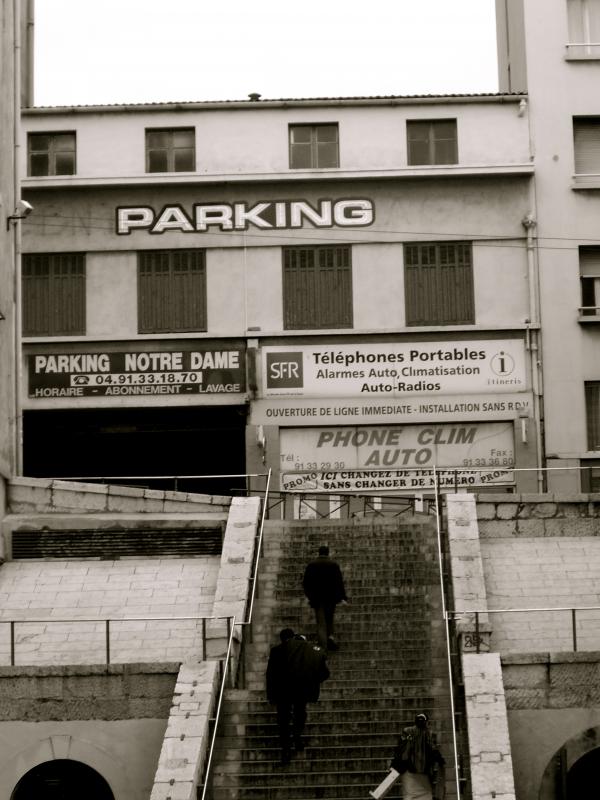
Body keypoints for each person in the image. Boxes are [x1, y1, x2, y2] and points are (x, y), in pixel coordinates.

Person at [266, 628, 330, 765]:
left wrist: (271, 695)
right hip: (301, 688)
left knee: (283, 720)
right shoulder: (309, 648)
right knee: (300, 712)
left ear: (282, 638)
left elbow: (270, 675)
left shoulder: (276, 650)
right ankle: (297, 735)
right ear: (294, 636)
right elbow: (324, 671)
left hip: (282, 691)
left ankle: (286, 750)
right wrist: (314, 680)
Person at [390, 712, 445, 800]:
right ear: (426, 722)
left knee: (410, 794)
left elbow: (400, 748)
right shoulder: (427, 734)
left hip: (408, 770)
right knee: (424, 795)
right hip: (420, 771)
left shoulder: (407, 731)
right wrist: (440, 760)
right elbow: (433, 749)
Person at [302, 545, 348, 650]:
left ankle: (323, 647)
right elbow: (339, 582)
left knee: (321, 623)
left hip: (317, 599)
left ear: (319, 553)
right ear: (328, 553)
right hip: (331, 598)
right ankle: (330, 638)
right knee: (329, 618)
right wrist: (342, 597)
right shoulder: (333, 565)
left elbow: (306, 583)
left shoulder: (312, 565)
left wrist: (310, 596)